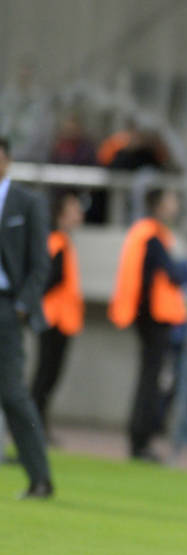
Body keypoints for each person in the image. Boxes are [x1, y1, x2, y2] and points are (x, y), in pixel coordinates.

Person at [109, 188, 187, 461]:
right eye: (171, 200)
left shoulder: (145, 233)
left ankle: (140, 438)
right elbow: (171, 274)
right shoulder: (152, 236)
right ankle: (140, 439)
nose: (175, 205)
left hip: (146, 317)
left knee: (149, 378)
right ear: (159, 205)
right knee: (150, 380)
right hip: (154, 318)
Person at [0, 136, 53, 498]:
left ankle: (39, 477)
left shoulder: (28, 203)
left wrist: (21, 306)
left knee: (13, 394)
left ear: (7, 161)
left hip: (6, 306)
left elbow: (40, 264)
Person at [32, 191, 85, 430]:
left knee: (50, 374)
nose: (79, 214)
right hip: (53, 318)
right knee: (46, 374)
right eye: (73, 209)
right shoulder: (56, 241)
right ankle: (34, 424)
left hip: (62, 319)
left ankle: (39, 423)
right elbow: (46, 279)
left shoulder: (63, 241)